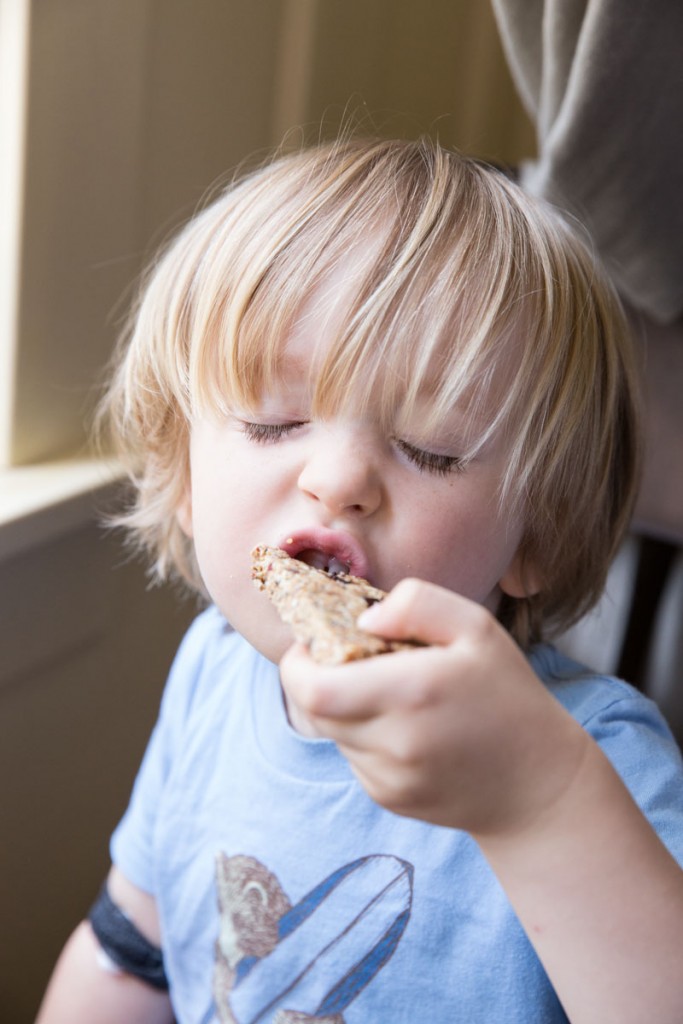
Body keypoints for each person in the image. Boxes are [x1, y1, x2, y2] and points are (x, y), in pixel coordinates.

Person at [37, 137, 683, 1024]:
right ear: (182, 476)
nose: (338, 479)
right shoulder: (211, 677)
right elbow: (129, 956)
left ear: (538, 532)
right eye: (273, 422)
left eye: (432, 449)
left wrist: (540, 804)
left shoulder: (592, 760)